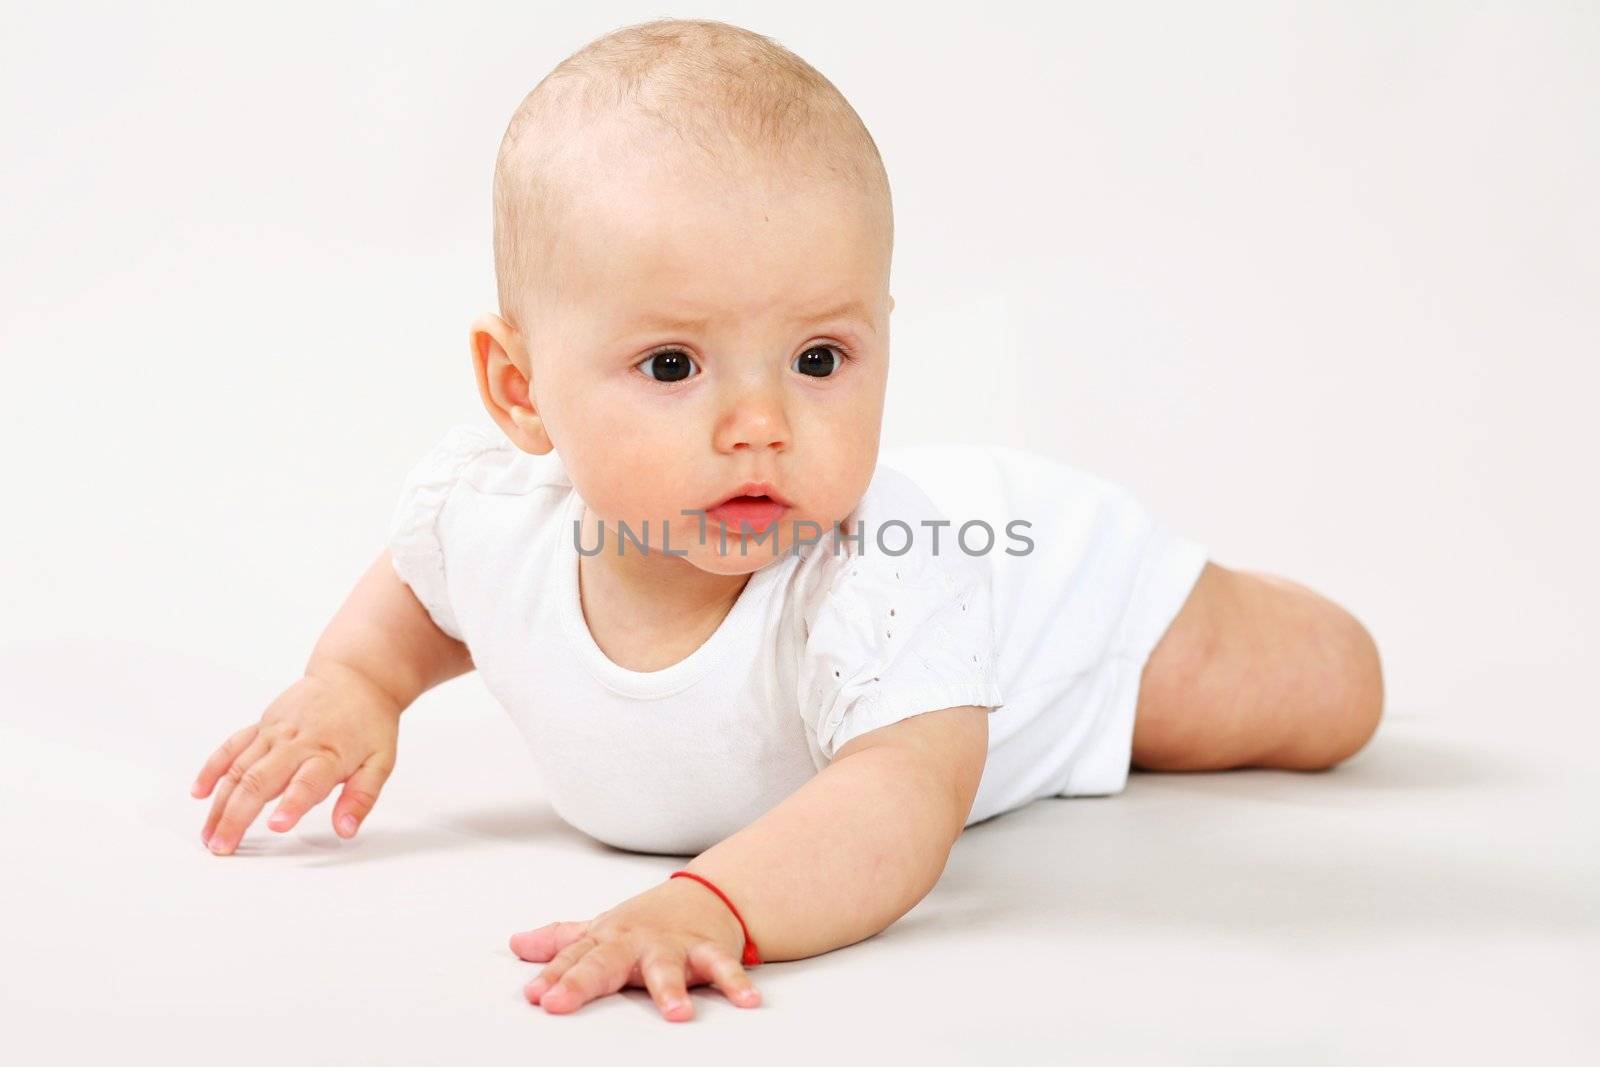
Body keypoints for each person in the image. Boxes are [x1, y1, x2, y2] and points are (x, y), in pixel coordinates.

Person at [189, 17, 1385, 1023]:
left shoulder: (874, 580)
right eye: (672, 365)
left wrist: (716, 899)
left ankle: (1231, 612)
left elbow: (900, 801)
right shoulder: (495, 517)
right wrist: (356, 681)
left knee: (1332, 691)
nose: (759, 422)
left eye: (820, 356)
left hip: (1058, 597)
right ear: (521, 390)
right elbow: (423, 592)